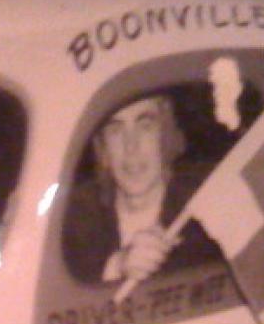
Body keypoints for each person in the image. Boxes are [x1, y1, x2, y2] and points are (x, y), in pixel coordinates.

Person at [63, 93, 217, 285]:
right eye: (116, 130)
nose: (131, 146)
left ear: (165, 137)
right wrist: (117, 266)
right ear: (103, 149)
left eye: (145, 126)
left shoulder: (203, 214)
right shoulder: (73, 220)